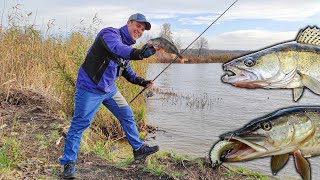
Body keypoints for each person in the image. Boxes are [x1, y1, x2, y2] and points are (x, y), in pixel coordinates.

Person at [60, 13, 159, 179]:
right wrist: (139, 54)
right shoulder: (110, 34)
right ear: (129, 23)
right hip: (89, 87)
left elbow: (126, 70)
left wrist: (142, 81)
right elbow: (118, 49)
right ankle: (68, 163)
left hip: (109, 89)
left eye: (142, 29)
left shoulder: (127, 45)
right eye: (137, 26)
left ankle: (138, 149)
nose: (139, 31)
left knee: (127, 114)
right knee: (80, 125)